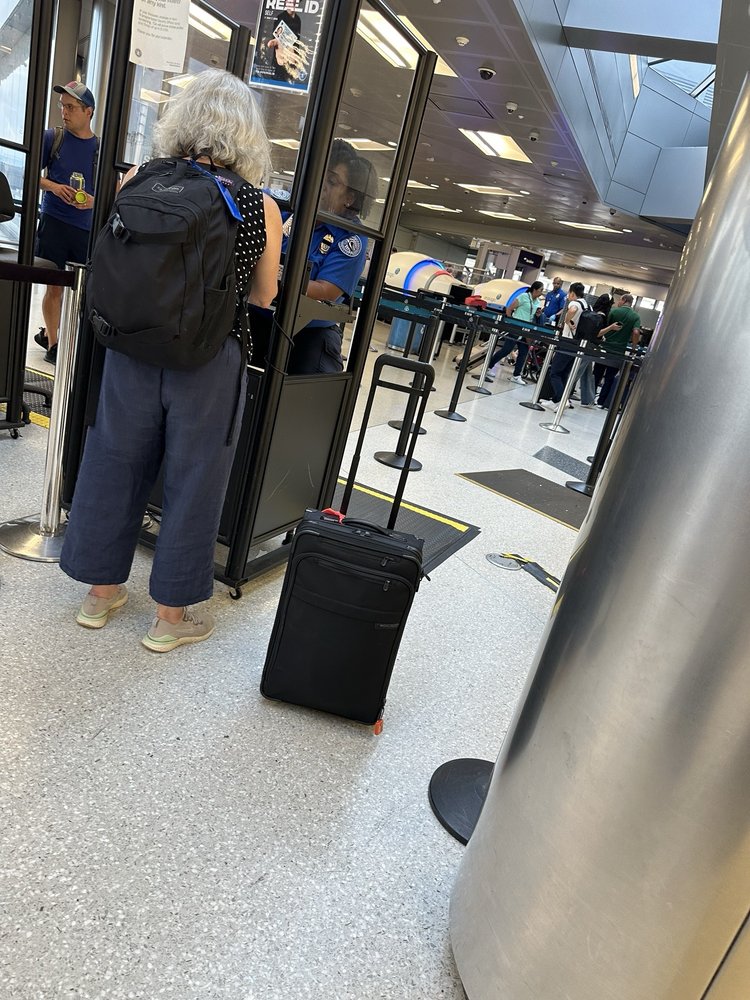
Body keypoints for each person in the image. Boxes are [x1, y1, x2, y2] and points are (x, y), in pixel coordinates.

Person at [59, 69, 283, 652]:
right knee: (195, 476)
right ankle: (169, 618)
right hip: (209, 359)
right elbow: (262, 297)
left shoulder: (137, 179)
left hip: (131, 347)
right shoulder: (257, 205)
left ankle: (101, 594)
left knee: (114, 460)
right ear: (247, 135)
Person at [283, 138, 377, 374]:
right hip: (264, 314)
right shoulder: (288, 212)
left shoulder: (350, 238)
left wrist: (279, 275)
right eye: (320, 175)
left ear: (350, 198)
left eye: (332, 181)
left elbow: (326, 291)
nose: (321, 184)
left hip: (308, 334)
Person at [35, 81, 99, 363]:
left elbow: (111, 192)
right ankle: (53, 343)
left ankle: (72, 342)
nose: (64, 112)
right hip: (54, 221)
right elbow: (32, 176)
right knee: (54, 285)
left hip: (85, 228)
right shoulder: (53, 138)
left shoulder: (100, 150)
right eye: (62, 106)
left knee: (82, 291)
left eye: (71, 107)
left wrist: (92, 201)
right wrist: (54, 187)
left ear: (89, 112)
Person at [474, 281, 545, 386]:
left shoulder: (537, 302)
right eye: (541, 290)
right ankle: (488, 366)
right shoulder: (523, 297)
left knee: (523, 353)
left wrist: (538, 315)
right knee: (506, 350)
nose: (542, 292)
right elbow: (509, 309)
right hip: (516, 328)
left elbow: (533, 315)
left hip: (526, 330)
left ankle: (516, 376)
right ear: (534, 289)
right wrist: (510, 322)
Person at [597, 293, 641, 408]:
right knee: (609, 378)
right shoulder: (635, 316)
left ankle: (590, 398)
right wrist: (634, 347)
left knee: (597, 373)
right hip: (619, 351)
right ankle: (602, 401)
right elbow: (636, 332)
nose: (618, 302)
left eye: (620, 300)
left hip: (605, 347)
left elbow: (605, 327)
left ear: (624, 300)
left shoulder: (614, 312)